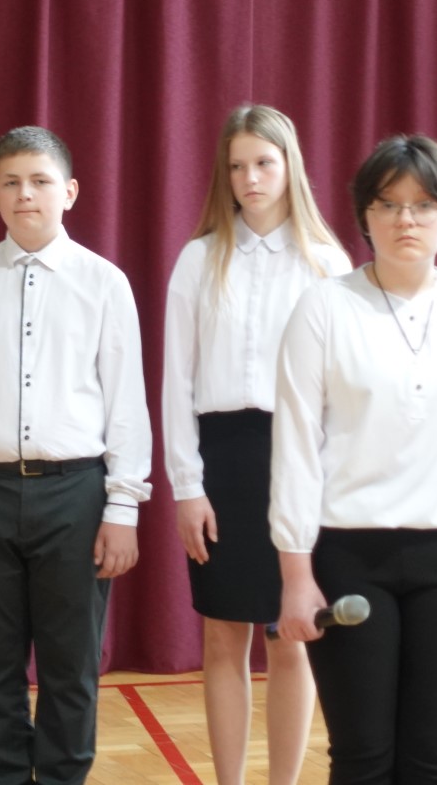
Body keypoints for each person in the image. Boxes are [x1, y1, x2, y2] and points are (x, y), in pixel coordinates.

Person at [271, 133, 437, 785]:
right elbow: (296, 447)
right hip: (349, 553)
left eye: (423, 205)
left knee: (434, 761)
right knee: (361, 759)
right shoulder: (323, 307)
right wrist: (296, 576)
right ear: (365, 215)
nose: (405, 220)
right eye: (388, 204)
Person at [0, 125, 153, 785]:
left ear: (69, 192)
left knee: (70, 668)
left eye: (41, 181)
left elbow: (126, 404)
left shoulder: (104, 284)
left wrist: (123, 508)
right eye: (12, 182)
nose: (26, 194)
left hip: (75, 496)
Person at [162, 104, 350, 785]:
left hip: (298, 458)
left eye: (264, 163)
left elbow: (340, 390)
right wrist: (188, 486)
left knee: (292, 633)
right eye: (237, 166)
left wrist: (329, 483)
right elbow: (177, 382)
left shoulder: (326, 263)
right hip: (222, 458)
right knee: (223, 634)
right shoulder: (199, 259)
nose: (250, 178)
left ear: (289, 165)